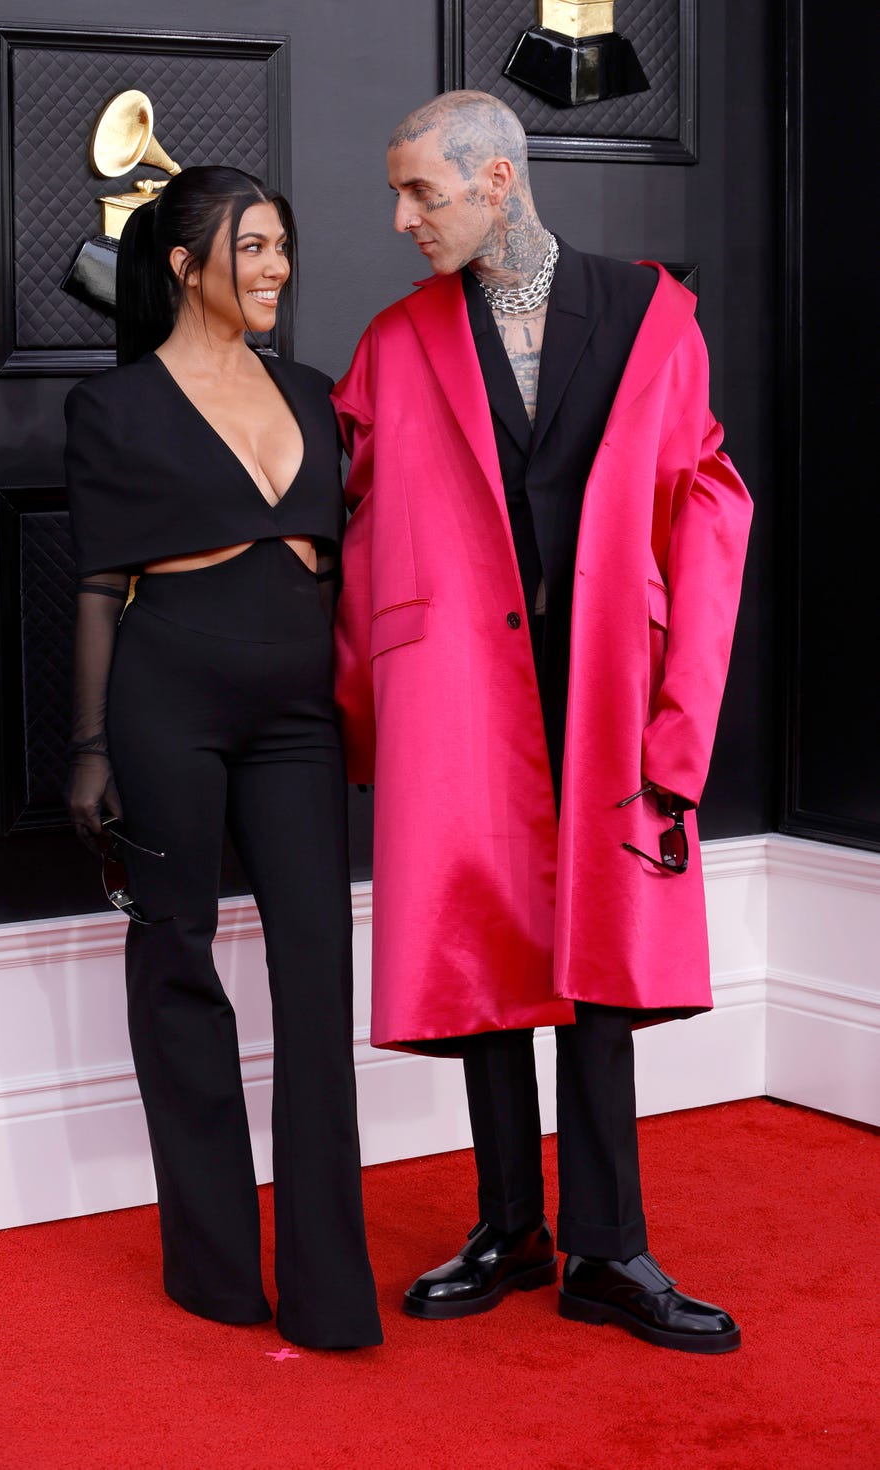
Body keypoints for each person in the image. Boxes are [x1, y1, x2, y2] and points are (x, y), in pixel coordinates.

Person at [332, 91, 752, 1353]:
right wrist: (371, 709)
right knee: (481, 948)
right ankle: (509, 1223)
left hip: (606, 681)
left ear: (497, 181)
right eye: (400, 193)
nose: (402, 218)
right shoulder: (396, 342)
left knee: (601, 965)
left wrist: (679, 719)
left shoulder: (646, 318)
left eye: (423, 192)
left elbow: (704, 513)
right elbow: (354, 527)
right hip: (461, 684)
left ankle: (607, 1249)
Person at [63, 164, 382, 1351]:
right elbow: (99, 586)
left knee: (316, 977)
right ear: (185, 265)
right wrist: (90, 746)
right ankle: (209, 1264)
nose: (275, 268)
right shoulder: (114, 408)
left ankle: (327, 1284)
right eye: (250, 247)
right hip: (166, 697)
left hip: (297, 711)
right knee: (177, 956)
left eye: (282, 247)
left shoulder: (312, 392)